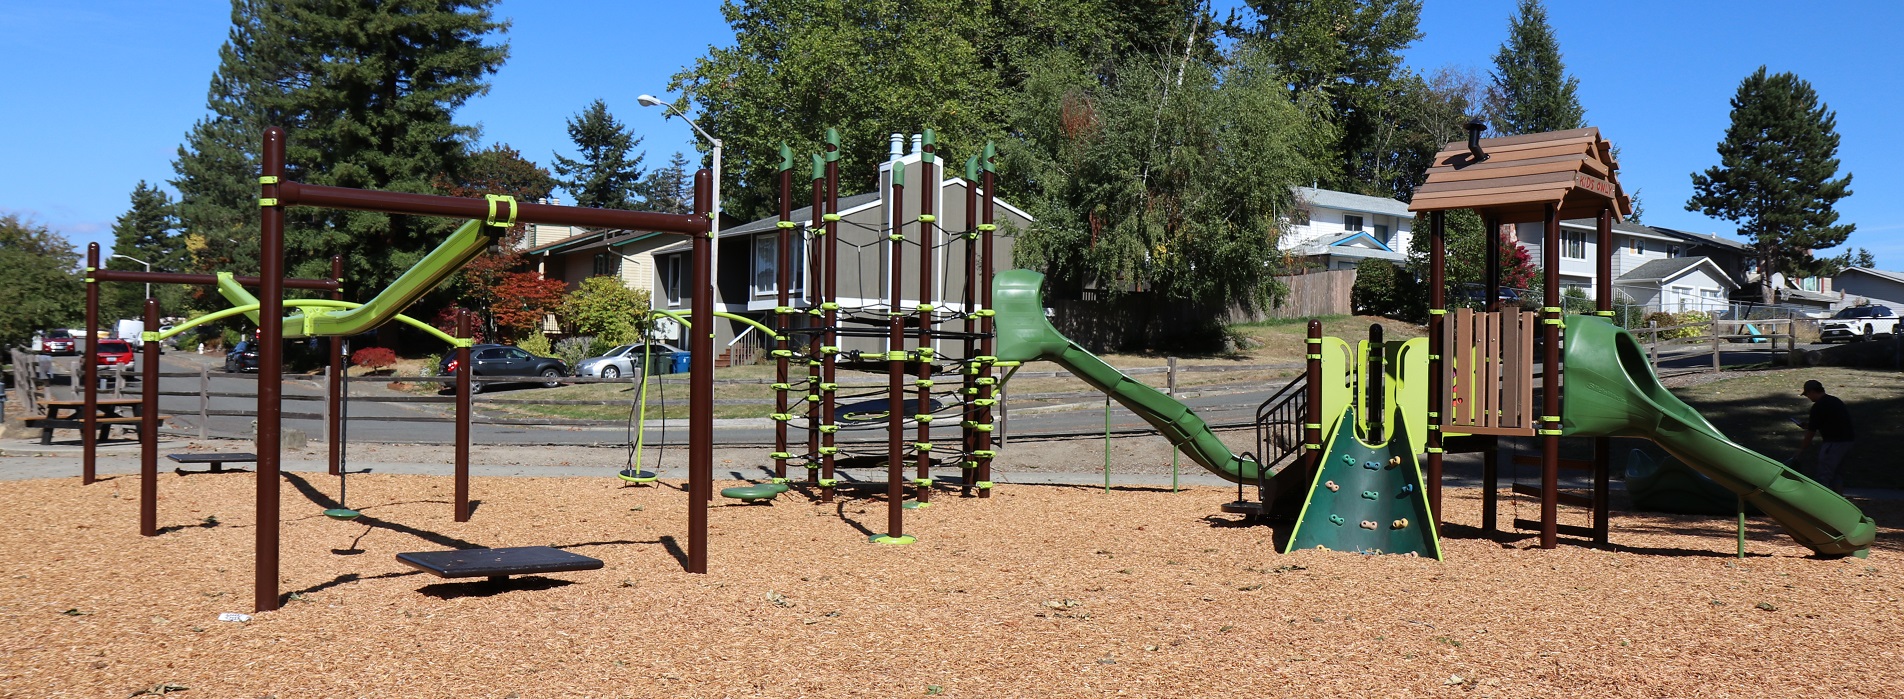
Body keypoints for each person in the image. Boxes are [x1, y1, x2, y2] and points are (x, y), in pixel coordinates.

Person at [1795, 379, 1854, 489]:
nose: (1808, 397)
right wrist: (1808, 425)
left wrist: (1801, 449)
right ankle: (1838, 499)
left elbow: (1811, 432)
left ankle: (1820, 502)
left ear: (1812, 391)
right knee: (1837, 474)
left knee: (1823, 475)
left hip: (1833, 443)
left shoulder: (1818, 406)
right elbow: (1830, 421)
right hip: (1847, 442)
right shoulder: (1835, 401)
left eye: (1807, 394)